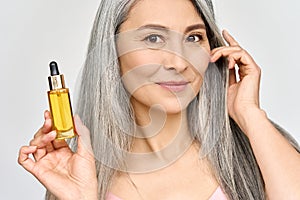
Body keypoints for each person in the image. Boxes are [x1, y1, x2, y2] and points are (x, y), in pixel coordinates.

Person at [18, 0, 300, 199]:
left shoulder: (257, 149)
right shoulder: (84, 176)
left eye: (193, 38)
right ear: (111, 51)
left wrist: (250, 114)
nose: (179, 62)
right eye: (153, 38)